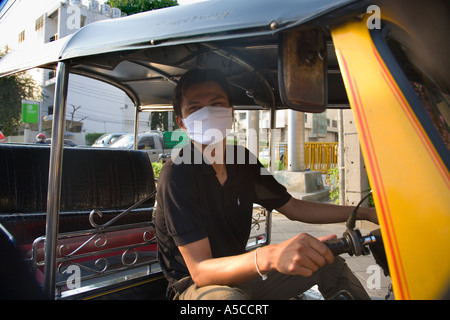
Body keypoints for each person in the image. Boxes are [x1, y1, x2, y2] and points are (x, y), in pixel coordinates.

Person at [155, 68, 378, 300]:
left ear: (231, 113)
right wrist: (269, 255)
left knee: (325, 262)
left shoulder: (241, 161)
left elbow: (293, 207)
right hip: (195, 288)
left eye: (216, 104)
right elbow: (200, 270)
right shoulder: (177, 173)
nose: (207, 113)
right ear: (182, 122)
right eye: (195, 108)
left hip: (243, 274)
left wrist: (366, 213)